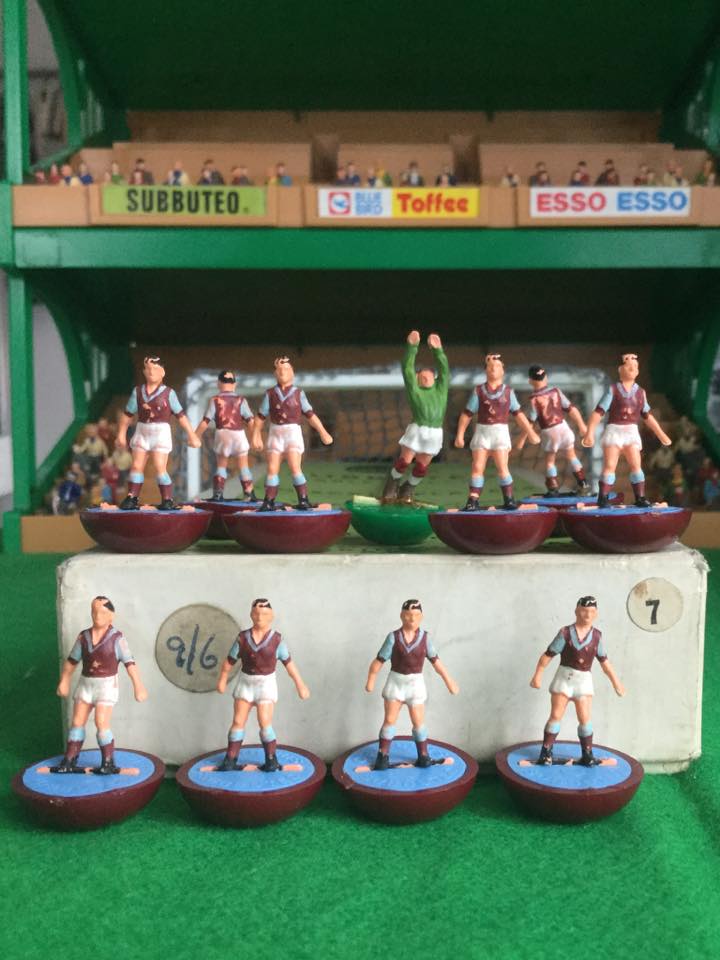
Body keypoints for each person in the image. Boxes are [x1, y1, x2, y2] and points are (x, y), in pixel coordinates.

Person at [53, 596, 147, 775]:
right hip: (86, 684)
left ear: (111, 616)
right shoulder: (84, 637)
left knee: (101, 722)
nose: (97, 616)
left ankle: (108, 761)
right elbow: (72, 661)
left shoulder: (117, 639)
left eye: (102, 613)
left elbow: (130, 663)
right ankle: (70, 759)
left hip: (106, 685)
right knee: (77, 722)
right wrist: (65, 680)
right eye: (94, 611)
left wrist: (138, 686)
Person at [216, 599, 309, 773]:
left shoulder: (276, 640)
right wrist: (222, 679)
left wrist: (300, 685)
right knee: (238, 721)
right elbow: (229, 662)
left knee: (265, 722)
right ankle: (230, 759)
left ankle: (271, 760)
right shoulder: (243, 638)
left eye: (264, 614)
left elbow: (289, 665)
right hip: (245, 683)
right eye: (257, 613)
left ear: (271, 616)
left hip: (266, 685)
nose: (260, 617)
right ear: (251, 615)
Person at [530, 596, 624, 767]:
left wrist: (616, 683)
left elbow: (605, 663)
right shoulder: (565, 633)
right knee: (556, 715)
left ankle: (587, 754)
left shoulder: (596, 636)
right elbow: (548, 655)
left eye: (591, 612)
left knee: (585, 718)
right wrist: (538, 675)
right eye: (584, 610)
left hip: (583, 682)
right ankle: (545, 753)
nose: (587, 615)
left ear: (596, 614)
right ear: (576, 611)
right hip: (564, 679)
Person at [365, 599, 459, 771]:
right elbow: (379, 660)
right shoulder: (393, 637)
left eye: (416, 615)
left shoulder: (425, 638)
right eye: (408, 615)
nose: (412, 619)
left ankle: (423, 755)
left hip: (415, 684)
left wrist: (449, 680)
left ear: (421, 616)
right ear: (402, 616)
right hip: (396, 682)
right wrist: (371, 679)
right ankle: (382, 756)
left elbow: (436, 661)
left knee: (418, 721)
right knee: (389, 720)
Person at [582, 353, 672, 507]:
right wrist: (589, 432)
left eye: (635, 366)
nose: (632, 369)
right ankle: (603, 497)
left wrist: (661, 434)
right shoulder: (613, 390)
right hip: (614, 431)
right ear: (620, 369)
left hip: (631, 432)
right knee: (610, 465)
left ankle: (640, 497)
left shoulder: (641, 393)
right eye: (628, 366)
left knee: (636, 465)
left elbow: (647, 416)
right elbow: (598, 412)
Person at [455, 353, 540, 510]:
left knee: (502, 467)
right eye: (490, 366)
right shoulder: (479, 391)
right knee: (477, 467)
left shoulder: (508, 392)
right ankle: (473, 500)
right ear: (485, 370)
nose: (493, 369)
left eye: (497, 366)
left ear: (503, 371)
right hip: (482, 433)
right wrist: (460, 434)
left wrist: (531, 432)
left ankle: (509, 499)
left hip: (499, 434)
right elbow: (467, 413)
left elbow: (518, 414)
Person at [116, 356, 201, 510]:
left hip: (160, 433)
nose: (151, 372)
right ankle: (132, 497)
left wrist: (192, 434)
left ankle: (167, 499)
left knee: (160, 467)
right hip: (142, 431)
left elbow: (181, 415)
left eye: (155, 369)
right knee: (136, 465)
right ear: (143, 371)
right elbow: (127, 414)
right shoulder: (138, 392)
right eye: (148, 369)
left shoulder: (169, 393)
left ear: (162, 372)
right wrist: (121, 433)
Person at [251, 356, 333, 510]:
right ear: (275, 373)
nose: (283, 372)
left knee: (295, 467)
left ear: (292, 373)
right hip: (275, 433)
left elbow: (310, 415)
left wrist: (323, 432)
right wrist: (256, 435)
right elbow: (260, 416)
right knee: (272, 469)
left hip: (292, 433)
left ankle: (303, 500)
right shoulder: (270, 394)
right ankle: (269, 501)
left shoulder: (298, 393)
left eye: (286, 369)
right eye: (279, 370)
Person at [381, 330, 449, 504]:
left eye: (428, 375)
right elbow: (407, 369)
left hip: (435, 433)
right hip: (417, 429)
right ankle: (391, 487)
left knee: (421, 467)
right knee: (403, 462)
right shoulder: (415, 390)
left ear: (434, 377)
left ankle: (407, 491)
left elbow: (444, 369)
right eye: (421, 375)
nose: (425, 377)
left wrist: (438, 350)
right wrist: (412, 347)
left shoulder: (441, 389)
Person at [524, 364, 590, 495]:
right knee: (572, 456)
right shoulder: (556, 391)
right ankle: (583, 482)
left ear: (530, 381)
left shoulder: (534, 399)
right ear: (546, 377)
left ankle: (553, 487)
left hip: (549, 431)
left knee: (550, 460)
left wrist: (523, 438)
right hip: (563, 427)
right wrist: (582, 425)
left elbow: (530, 422)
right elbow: (571, 409)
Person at [194, 370, 257, 501]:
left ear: (218, 383)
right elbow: (251, 421)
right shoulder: (241, 400)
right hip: (239, 434)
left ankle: (218, 494)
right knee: (243, 465)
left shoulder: (215, 400)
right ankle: (249, 493)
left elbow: (205, 421)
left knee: (221, 464)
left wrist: (195, 435)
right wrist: (256, 437)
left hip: (223, 433)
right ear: (235, 384)